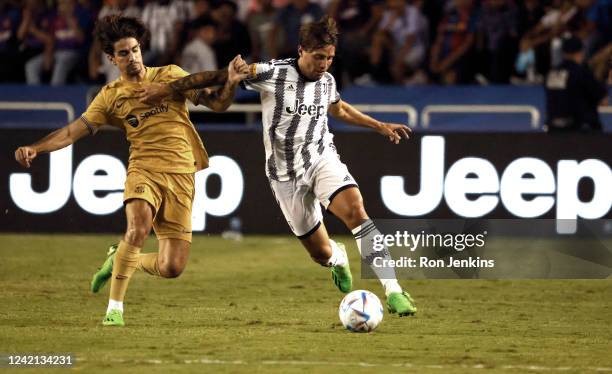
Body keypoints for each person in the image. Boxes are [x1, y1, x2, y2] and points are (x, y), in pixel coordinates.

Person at [138, 16, 418, 316]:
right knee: (320, 252)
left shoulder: (327, 81)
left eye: (330, 58)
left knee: (356, 212)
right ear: (302, 51)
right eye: (319, 57)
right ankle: (337, 257)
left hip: (322, 159)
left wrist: (378, 125)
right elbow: (219, 76)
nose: (324, 64)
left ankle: (394, 291)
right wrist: (168, 90)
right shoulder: (272, 72)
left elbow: (338, 108)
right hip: (284, 176)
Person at [14, 15, 248, 326]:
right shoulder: (110, 96)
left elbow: (218, 105)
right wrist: (36, 148)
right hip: (144, 170)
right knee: (137, 229)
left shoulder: (169, 76)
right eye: (124, 53)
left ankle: (122, 258)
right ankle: (115, 310)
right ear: (111, 58)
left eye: (135, 50)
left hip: (181, 175)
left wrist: (230, 81)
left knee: (172, 267)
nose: (133, 58)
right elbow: (72, 132)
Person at [545, 36, 608, 132]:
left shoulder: (551, 73)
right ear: (580, 52)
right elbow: (604, 101)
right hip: (580, 130)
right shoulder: (581, 72)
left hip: (553, 129)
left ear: (563, 53)